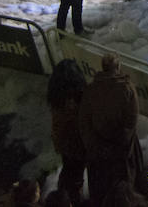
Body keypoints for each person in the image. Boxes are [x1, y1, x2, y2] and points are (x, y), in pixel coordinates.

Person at [79, 53, 144, 207]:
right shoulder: (127, 88)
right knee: (126, 188)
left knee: (103, 189)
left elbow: (84, 121)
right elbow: (132, 119)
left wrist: (94, 146)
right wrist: (124, 145)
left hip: (99, 152)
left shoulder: (91, 90)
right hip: (122, 149)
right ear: (118, 67)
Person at [47, 59, 88, 205]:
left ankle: (64, 196)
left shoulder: (56, 97)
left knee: (69, 170)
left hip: (64, 144)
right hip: (78, 144)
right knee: (76, 174)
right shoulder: (78, 99)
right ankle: (74, 199)